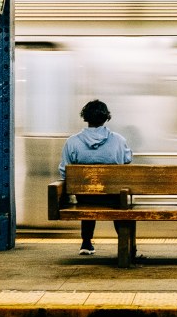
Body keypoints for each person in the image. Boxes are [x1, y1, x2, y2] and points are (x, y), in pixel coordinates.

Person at [57, 99, 133, 255]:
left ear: (85, 117)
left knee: (87, 197)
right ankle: (125, 243)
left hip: (85, 197)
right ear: (106, 118)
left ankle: (86, 243)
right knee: (120, 200)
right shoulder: (119, 140)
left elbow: (64, 170)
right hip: (113, 197)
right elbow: (127, 160)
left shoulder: (72, 142)